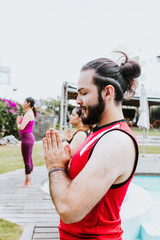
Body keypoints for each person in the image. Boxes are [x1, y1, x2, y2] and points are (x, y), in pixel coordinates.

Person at [43, 52, 141, 239]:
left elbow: (68, 209)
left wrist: (55, 166)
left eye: (84, 93)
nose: (78, 101)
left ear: (107, 92)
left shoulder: (116, 142)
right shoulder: (98, 133)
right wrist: (64, 164)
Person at [17, 97, 36, 187]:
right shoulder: (29, 113)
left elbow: (21, 127)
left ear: (28, 103)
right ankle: (29, 179)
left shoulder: (28, 114)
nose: (23, 103)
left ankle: (27, 182)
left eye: (24, 101)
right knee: (28, 158)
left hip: (27, 138)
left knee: (27, 159)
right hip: (27, 138)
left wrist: (18, 122)